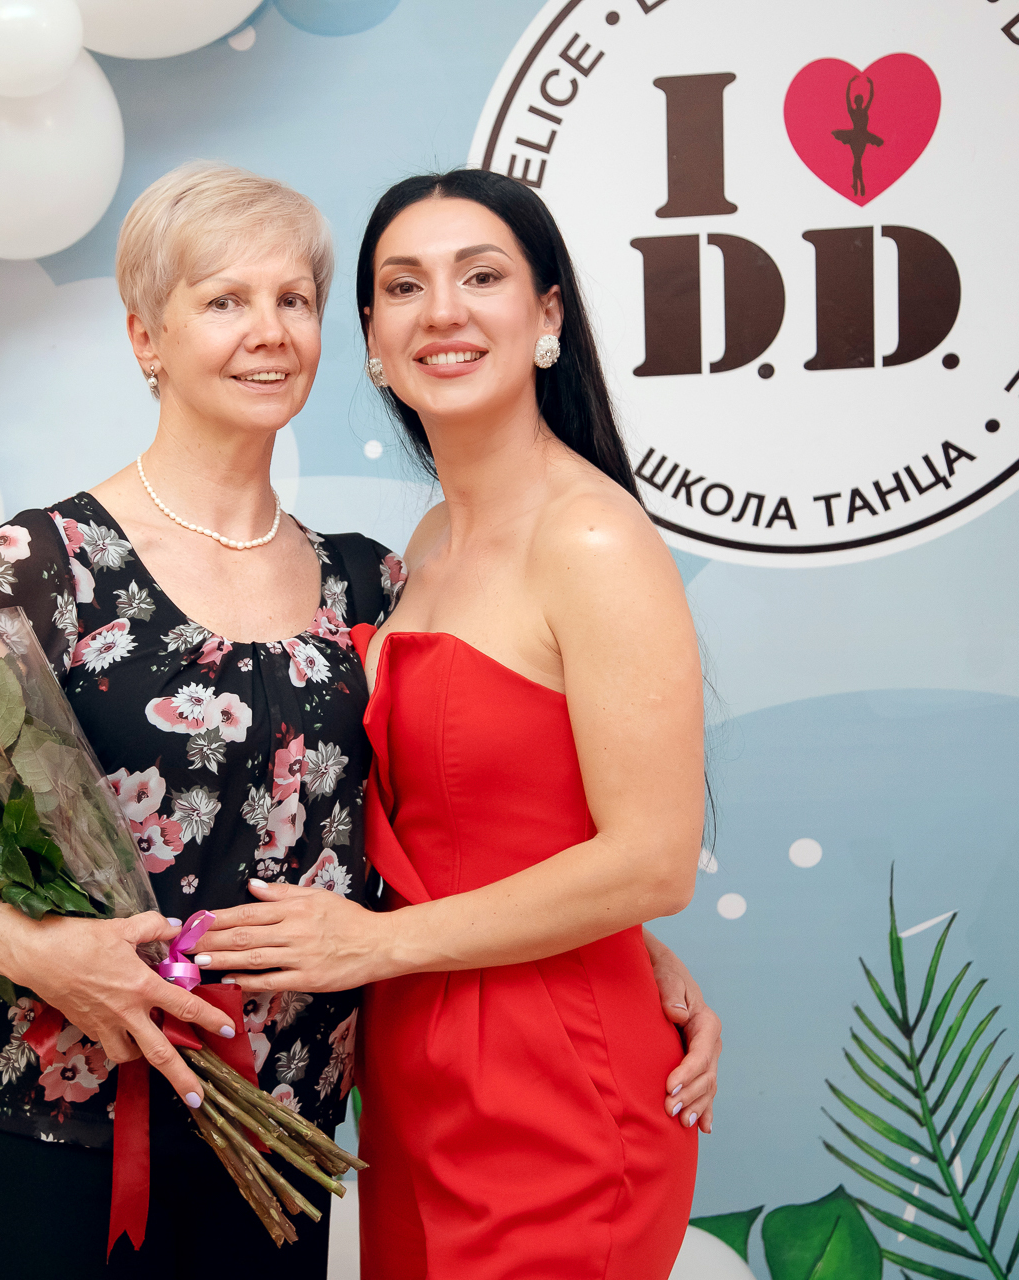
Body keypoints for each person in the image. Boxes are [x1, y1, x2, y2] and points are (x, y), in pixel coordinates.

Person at [0, 162, 718, 1279]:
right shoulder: (38, 571)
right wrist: (43, 954)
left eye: (293, 300)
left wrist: (627, 946)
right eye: (224, 300)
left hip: (284, 1140)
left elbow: (449, 811)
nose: (268, 332)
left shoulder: (366, 581)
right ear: (146, 337)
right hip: (58, 1126)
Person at [190, 168, 709, 1278]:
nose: (442, 312)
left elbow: (656, 859)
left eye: (482, 277)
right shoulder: (424, 545)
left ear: (548, 315)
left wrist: (376, 945)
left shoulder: (592, 538)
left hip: (557, 1083)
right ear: (373, 340)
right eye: (403, 286)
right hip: (417, 1078)